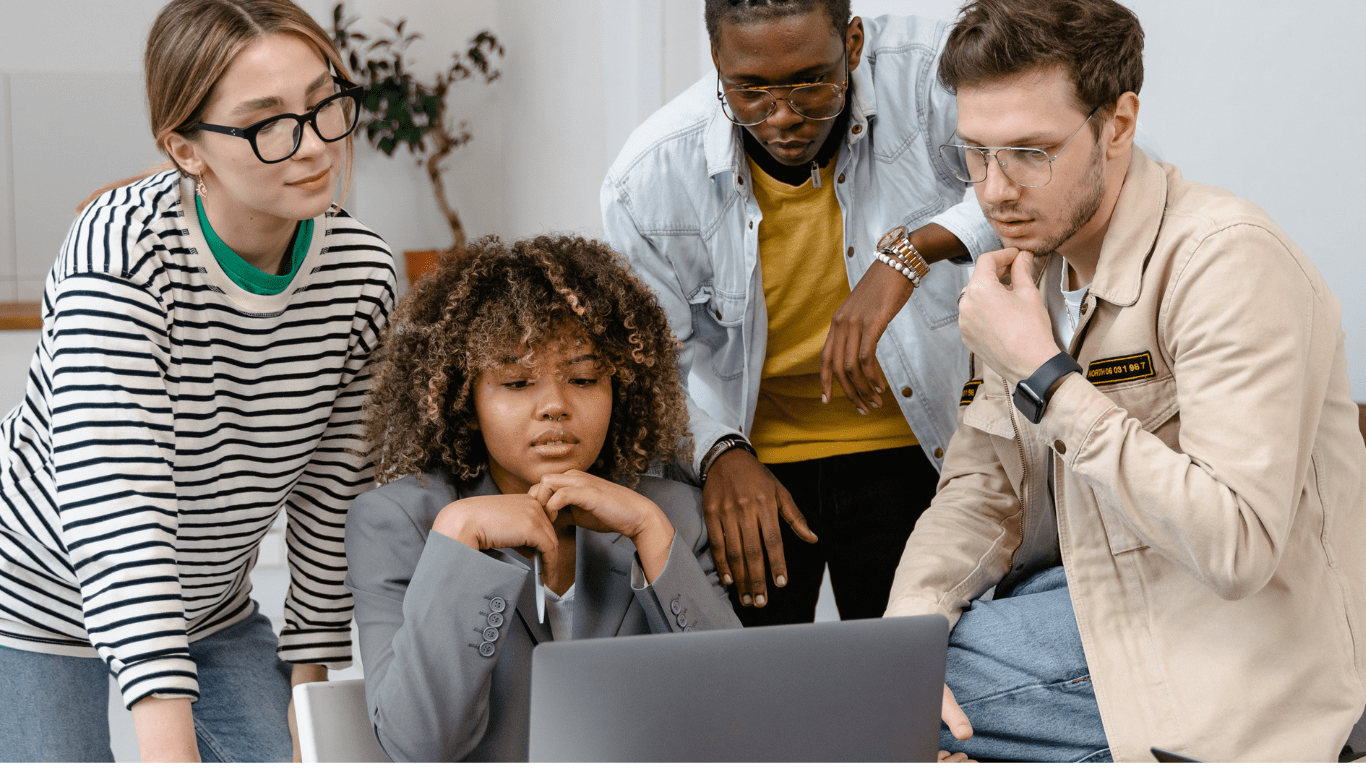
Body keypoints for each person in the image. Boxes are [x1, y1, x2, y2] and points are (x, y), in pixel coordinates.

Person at [882, 0, 1366, 761]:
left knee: (862, 722)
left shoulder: (1227, 260)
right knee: (879, 688)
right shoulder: (1026, 272)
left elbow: (1237, 548)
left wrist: (1043, 373)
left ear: (1118, 124)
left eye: (1030, 152)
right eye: (975, 153)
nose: (994, 191)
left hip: (1240, 646)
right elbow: (983, 489)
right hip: (1092, 600)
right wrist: (909, 636)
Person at [0, 0, 395, 761]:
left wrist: (306, 697)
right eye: (267, 121)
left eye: (324, 103)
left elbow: (334, 490)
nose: (313, 145)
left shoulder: (360, 273)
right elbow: (120, 509)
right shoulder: (119, 256)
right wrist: (167, 743)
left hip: (209, 608)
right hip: (32, 594)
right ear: (185, 149)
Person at [601, 0, 1000, 627]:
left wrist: (910, 254)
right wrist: (719, 453)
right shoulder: (648, 178)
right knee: (752, 695)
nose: (783, 116)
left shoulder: (932, 74)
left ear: (854, 44)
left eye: (811, 82)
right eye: (751, 90)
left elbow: (1033, 178)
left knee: (913, 681)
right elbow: (652, 369)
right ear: (716, 62)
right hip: (754, 465)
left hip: (923, 444)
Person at [346, 235, 741, 762]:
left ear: (619, 386)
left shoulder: (673, 515)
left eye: (583, 378)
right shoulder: (398, 524)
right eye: (516, 382)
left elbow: (736, 716)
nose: (555, 405)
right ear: (465, 398)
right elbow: (420, 749)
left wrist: (650, 530)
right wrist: (459, 540)